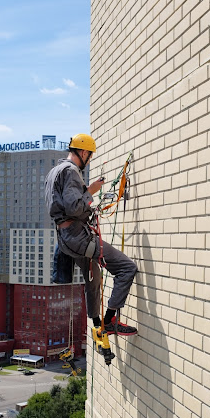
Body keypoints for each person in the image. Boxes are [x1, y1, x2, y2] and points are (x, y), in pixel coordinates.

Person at [45, 133, 138, 336]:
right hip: (78, 236)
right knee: (126, 268)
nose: (89, 160)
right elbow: (74, 207)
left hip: (66, 239)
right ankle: (110, 320)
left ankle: (97, 324)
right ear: (84, 152)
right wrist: (92, 191)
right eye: (90, 156)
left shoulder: (55, 171)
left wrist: (86, 192)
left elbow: (64, 203)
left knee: (93, 276)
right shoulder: (71, 171)